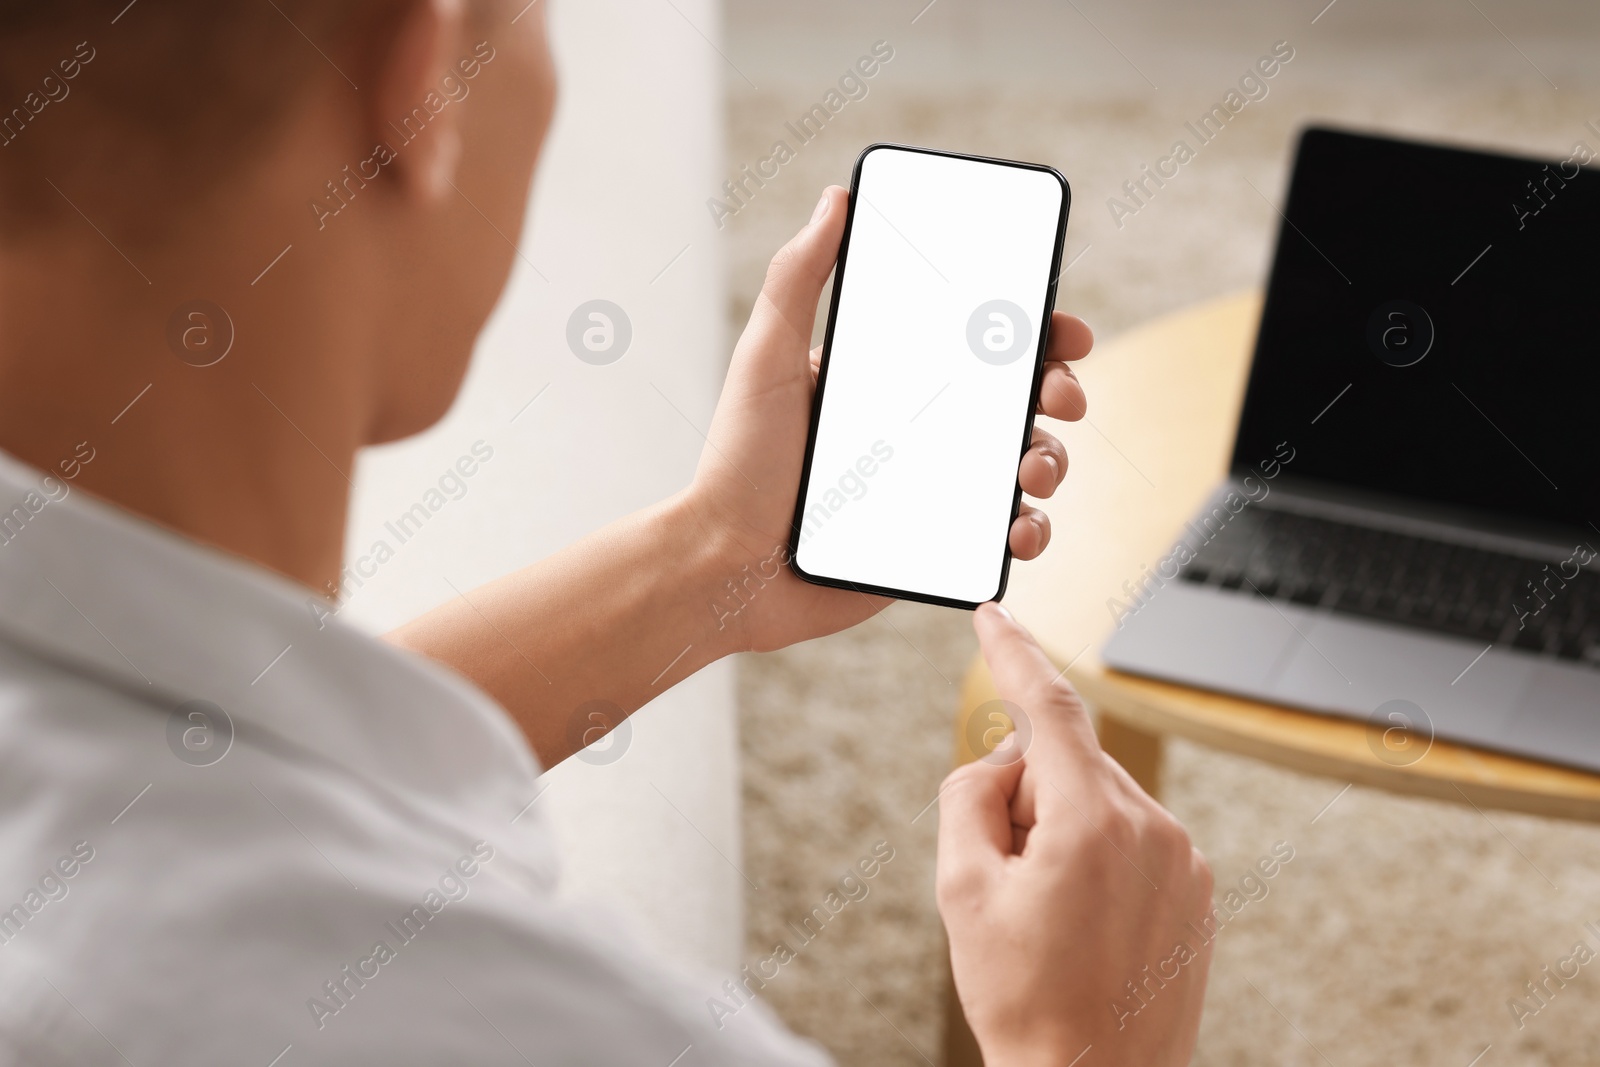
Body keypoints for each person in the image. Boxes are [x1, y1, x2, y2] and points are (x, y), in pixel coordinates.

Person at [0, 1, 1213, 1063]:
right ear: (421, 86)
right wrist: (1083, 1043)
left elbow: (208, 758)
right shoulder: (536, 1025)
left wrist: (715, 558)